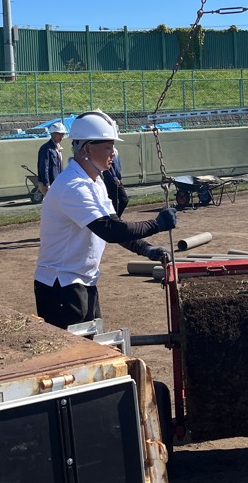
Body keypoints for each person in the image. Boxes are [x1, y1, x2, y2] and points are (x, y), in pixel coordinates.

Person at [33, 110, 177, 329]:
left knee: (94, 346)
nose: (114, 153)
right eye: (108, 147)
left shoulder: (95, 181)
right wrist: (156, 224)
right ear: (88, 148)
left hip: (80, 281)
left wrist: (146, 249)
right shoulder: (74, 187)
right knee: (79, 355)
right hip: (60, 286)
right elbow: (110, 230)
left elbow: (114, 224)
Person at [36, 122, 66, 194]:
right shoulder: (46, 148)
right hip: (50, 184)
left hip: (57, 182)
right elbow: (44, 167)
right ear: (52, 134)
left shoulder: (58, 148)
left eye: (63, 134)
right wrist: (46, 184)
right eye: (59, 134)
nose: (61, 136)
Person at [102, 151, 130, 216]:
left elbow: (117, 164)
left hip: (118, 179)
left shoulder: (115, 150)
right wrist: (114, 177)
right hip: (110, 180)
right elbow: (108, 165)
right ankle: (113, 221)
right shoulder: (107, 150)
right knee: (114, 203)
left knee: (124, 200)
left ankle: (116, 218)